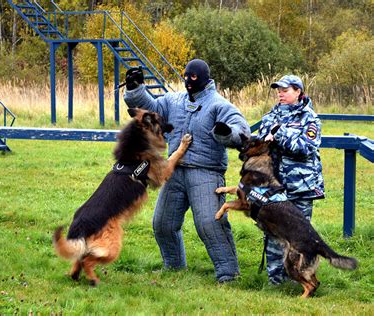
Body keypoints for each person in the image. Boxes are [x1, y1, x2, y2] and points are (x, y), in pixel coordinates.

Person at [124, 59, 251, 283]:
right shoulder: (174, 101)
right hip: (175, 170)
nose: (187, 81)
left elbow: (241, 130)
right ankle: (173, 267)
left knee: (210, 224)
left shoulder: (219, 105)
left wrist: (226, 133)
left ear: (203, 78)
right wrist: (135, 89)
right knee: (163, 223)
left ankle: (229, 274)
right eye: (185, 76)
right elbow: (151, 109)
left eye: (192, 77)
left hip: (206, 172)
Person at [257, 74, 325, 284]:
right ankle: (275, 281)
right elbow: (260, 144)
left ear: (298, 92)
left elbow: (306, 148)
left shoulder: (310, 118)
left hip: (300, 188)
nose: (280, 93)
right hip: (275, 188)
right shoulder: (270, 116)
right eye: (278, 90)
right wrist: (268, 138)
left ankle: (299, 279)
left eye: (285, 90)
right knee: (274, 234)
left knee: (299, 237)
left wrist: (279, 134)